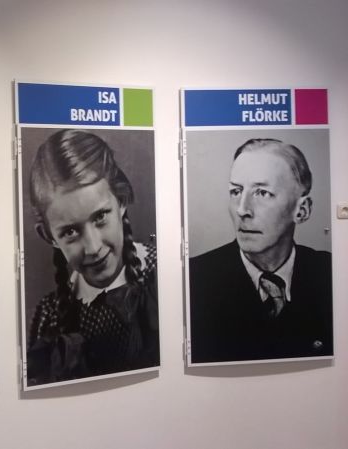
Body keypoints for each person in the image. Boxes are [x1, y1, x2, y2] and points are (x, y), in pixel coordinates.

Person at [26, 129, 159, 386]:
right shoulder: (48, 318)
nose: (93, 247)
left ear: (121, 200)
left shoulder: (163, 273)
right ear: (49, 236)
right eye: (70, 232)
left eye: (100, 217)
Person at [189, 138, 332, 364]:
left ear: (302, 210)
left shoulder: (329, 272)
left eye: (262, 193)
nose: (242, 209)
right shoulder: (196, 278)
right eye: (236, 191)